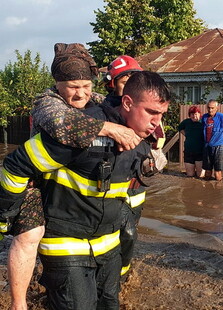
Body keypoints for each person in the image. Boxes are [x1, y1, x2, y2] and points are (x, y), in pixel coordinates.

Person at [0, 70, 171, 310]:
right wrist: (6, 216)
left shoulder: (144, 138)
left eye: (162, 114)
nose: (157, 122)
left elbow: (131, 200)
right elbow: (15, 166)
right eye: (152, 112)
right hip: (66, 245)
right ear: (128, 102)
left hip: (109, 248)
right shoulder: (81, 132)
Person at [101, 55, 166, 278]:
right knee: (120, 232)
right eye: (123, 80)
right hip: (112, 185)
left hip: (135, 185)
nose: (128, 83)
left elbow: (157, 140)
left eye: (133, 78)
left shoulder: (148, 110)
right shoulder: (103, 112)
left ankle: (122, 272)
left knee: (129, 232)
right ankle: (113, 274)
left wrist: (155, 156)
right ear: (112, 84)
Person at [201, 99, 223, 181]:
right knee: (207, 172)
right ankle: (207, 190)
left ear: (216, 108)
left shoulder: (222, 117)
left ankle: (218, 191)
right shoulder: (204, 117)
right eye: (208, 108)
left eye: (212, 108)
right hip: (207, 147)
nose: (210, 110)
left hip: (219, 146)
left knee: (217, 173)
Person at [178, 106, 205, 178]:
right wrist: (186, 134)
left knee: (200, 175)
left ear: (199, 114)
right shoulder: (186, 122)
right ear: (189, 115)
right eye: (192, 114)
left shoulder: (203, 122)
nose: (194, 116)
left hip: (200, 152)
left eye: (196, 114)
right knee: (190, 175)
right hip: (189, 151)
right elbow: (179, 128)